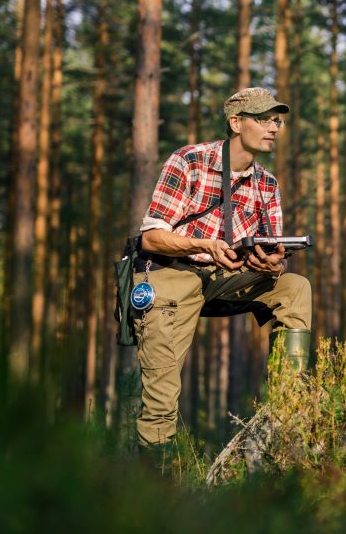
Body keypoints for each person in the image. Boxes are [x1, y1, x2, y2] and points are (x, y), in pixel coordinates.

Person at [132, 87, 311, 453]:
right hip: (171, 273)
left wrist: (272, 263)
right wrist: (205, 245)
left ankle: (287, 412)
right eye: (263, 119)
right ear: (235, 123)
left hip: (224, 277)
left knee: (294, 286)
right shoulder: (189, 161)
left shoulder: (267, 184)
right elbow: (151, 238)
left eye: (276, 120)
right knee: (161, 396)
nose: (274, 128)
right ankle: (154, 484)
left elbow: (272, 250)